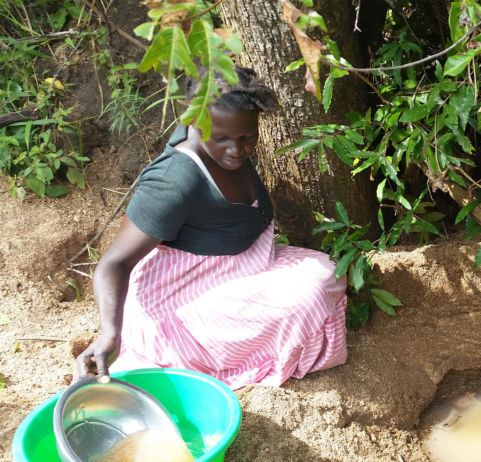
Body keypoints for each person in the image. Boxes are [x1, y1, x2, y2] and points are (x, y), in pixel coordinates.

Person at [74, 67, 348, 389]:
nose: (236, 150)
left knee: (328, 272)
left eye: (247, 138)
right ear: (194, 122)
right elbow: (114, 263)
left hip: (235, 267)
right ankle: (207, 362)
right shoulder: (173, 183)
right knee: (311, 296)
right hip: (179, 305)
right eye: (221, 139)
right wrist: (110, 333)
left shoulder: (227, 141)